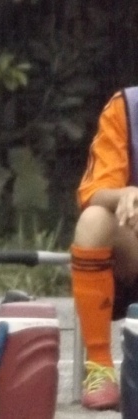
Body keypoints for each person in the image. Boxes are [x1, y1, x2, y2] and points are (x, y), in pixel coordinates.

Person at [69, 85, 138, 410]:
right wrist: (125, 194)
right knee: (94, 220)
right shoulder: (128, 106)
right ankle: (100, 366)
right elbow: (94, 191)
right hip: (132, 254)